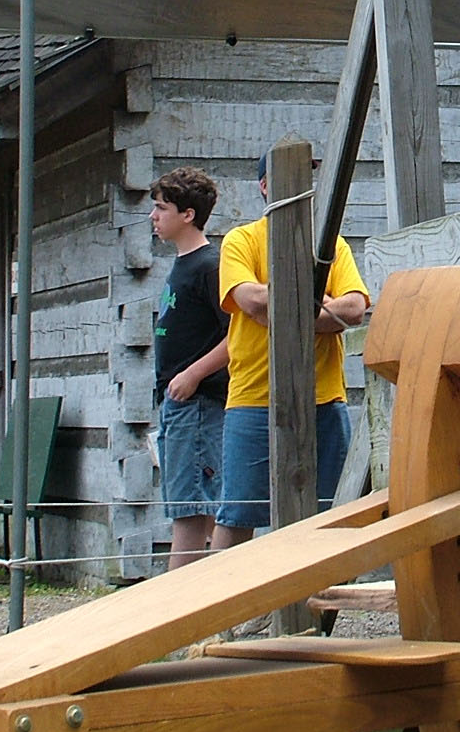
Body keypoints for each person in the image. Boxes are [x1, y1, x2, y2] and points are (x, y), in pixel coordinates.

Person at [215, 149, 370, 549]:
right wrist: (320, 309)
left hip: (324, 400)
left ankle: (313, 607)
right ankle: (226, 607)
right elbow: (249, 301)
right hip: (254, 399)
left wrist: (282, 308)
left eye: (307, 178)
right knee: (238, 515)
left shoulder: (331, 244)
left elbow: (354, 308)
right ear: (265, 186)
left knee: (326, 515)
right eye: (290, 178)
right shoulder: (242, 240)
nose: (303, 188)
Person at [150, 167, 232, 567]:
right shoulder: (182, 264)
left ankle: (175, 611)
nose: (153, 216)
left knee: (191, 507)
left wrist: (194, 374)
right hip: (177, 403)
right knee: (191, 505)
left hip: (199, 403)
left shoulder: (210, 265)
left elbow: (238, 337)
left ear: (187, 214)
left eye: (161, 207)